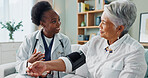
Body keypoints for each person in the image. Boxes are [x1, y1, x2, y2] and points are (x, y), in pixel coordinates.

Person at [27, 0, 147, 78]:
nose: (99, 26)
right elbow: (71, 61)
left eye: (104, 23)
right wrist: (45, 65)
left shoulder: (134, 52)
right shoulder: (96, 41)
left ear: (119, 28)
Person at [15, 1, 72, 78]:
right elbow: (18, 65)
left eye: (59, 20)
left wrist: (52, 68)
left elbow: (70, 64)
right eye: (54, 21)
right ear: (42, 24)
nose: (59, 23)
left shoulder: (64, 40)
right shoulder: (30, 39)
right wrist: (29, 62)